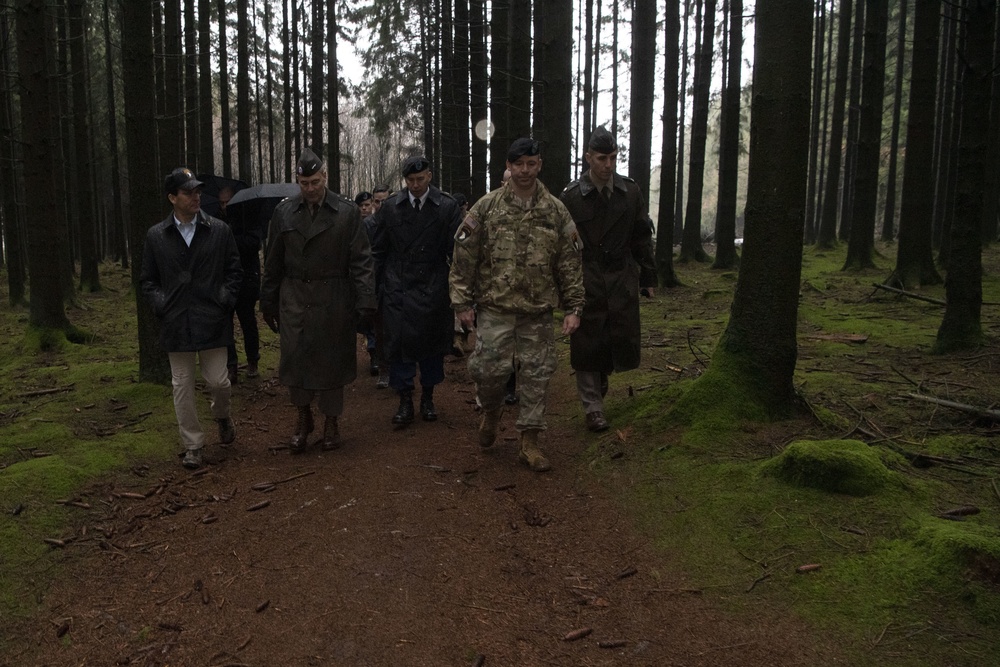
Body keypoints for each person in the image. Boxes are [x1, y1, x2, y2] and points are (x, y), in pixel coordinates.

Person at [450, 138, 585, 472]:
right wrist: (461, 303)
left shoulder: (555, 210)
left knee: (537, 375)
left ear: (540, 165)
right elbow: (464, 257)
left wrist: (574, 307)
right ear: (508, 166)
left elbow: (569, 261)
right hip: (495, 308)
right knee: (487, 371)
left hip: (537, 311)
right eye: (518, 164)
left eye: (532, 164)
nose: (525, 171)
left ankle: (530, 443)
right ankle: (491, 412)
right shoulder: (486, 207)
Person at [260, 148, 376, 453]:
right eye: (304, 182)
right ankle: (302, 416)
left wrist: (365, 300)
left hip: (334, 296)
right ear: (297, 181)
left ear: (324, 176)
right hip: (295, 296)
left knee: (332, 361)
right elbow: (273, 260)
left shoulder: (347, 212)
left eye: (314, 181)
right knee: (294, 360)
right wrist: (268, 300)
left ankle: (331, 420)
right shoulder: (284, 212)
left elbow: (362, 260)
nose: (310, 188)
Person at [140, 167, 242, 470]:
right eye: (188, 192)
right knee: (181, 385)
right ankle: (193, 445)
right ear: (173, 198)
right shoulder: (157, 236)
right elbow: (147, 280)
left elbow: (235, 271)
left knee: (219, 382)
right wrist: (162, 305)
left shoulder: (219, 230)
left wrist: (224, 299)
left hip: (211, 318)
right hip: (176, 323)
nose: (196, 196)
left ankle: (222, 416)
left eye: (198, 191)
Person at [560, 127, 657, 432]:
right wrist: (564, 285)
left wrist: (648, 276)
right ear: (589, 157)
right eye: (602, 158)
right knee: (587, 340)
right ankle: (592, 408)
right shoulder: (572, 196)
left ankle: (600, 382)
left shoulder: (630, 193)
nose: (608, 164)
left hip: (620, 276)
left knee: (615, 336)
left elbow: (642, 235)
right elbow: (562, 245)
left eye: (613, 158)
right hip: (586, 275)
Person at [371, 155, 463, 425]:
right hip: (398, 284)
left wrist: (458, 290)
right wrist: (373, 289)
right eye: (410, 181)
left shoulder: (446, 206)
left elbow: (457, 253)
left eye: (420, 179)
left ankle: (429, 397)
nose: (415, 185)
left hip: (433, 283)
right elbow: (378, 251)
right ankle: (404, 399)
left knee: (432, 345)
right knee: (399, 345)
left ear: (430, 176)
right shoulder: (390, 207)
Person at [217, 185, 262, 384]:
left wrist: (231, 240)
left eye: (228, 201)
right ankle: (231, 365)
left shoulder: (248, 217)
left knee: (248, 321)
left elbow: (254, 244)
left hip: (246, 279)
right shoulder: (216, 222)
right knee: (225, 324)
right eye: (222, 203)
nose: (225, 206)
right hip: (224, 281)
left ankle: (253, 360)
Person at [355, 190, 378, 375]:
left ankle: (378, 356)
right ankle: (374, 353)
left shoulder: (378, 224)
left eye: (367, 205)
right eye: (361, 206)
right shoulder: (355, 226)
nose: (364, 208)